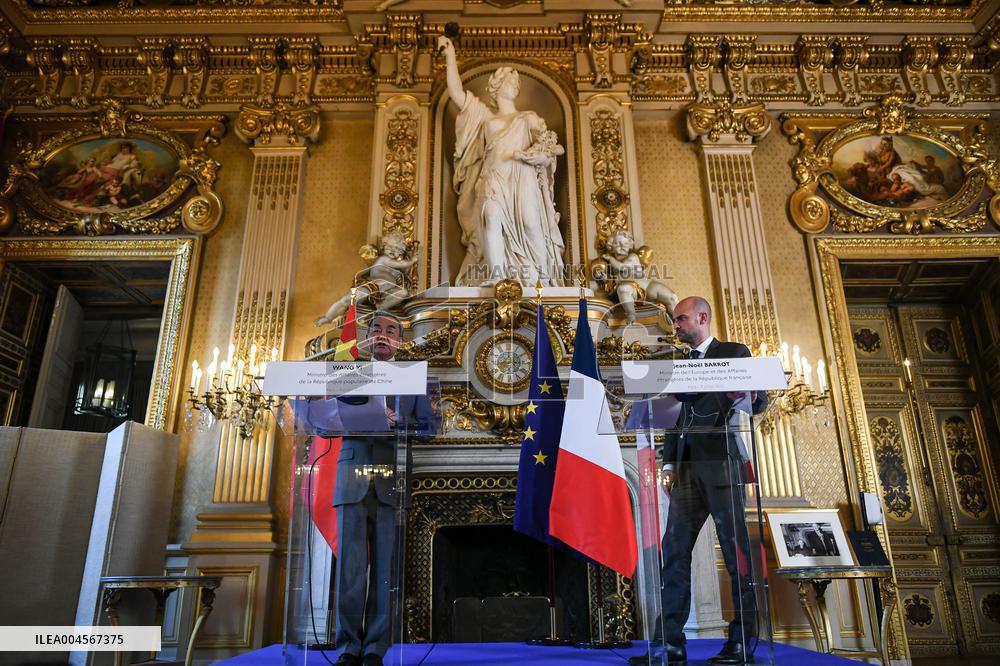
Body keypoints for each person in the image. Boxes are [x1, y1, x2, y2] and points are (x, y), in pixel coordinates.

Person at [630, 296, 766, 666]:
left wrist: (749, 396)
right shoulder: (679, 364)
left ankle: (741, 645)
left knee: (737, 558)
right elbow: (675, 418)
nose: (676, 326)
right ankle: (669, 645)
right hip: (686, 474)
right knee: (672, 556)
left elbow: (758, 401)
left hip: (722, 466)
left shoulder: (735, 352)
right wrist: (669, 466)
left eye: (681, 319)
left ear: (702, 318)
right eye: (675, 321)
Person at [316, 311, 437, 666]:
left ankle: (375, 649)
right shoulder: (347, 373)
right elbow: (324, 427)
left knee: (385, 570)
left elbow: (429, 428)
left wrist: (401, 423)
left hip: (392, 479)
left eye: (391, 330)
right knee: (351, 571)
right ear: (366, 337)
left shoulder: (413, 376)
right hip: (351, 478)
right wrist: (338, 419)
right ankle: (348, 648)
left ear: (401, 340)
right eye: (376, 329)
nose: (382, 335)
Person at [437, 34, 566, 287]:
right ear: (495, 87)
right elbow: (455, 93)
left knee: (531, 224)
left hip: (523, 178)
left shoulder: (529, 118)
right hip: (493, 178)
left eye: (516, 81)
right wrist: (450, 56)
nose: (514, 84)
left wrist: (540, 156)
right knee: (492, 218)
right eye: (509, 80)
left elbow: (553, 148)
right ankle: (497, 277)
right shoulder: (485, 118)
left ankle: (543, 281)